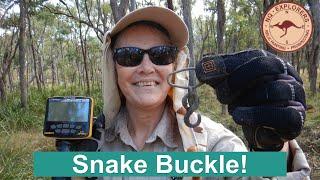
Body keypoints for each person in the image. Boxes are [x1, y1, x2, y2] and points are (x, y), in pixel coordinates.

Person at [78, 6, 310, 180]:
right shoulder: (92, 143)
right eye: (129, 56)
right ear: (113, 67)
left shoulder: (214, 145)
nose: (146, 67)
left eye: (161, 55)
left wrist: (273, 144)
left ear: (175, 65)